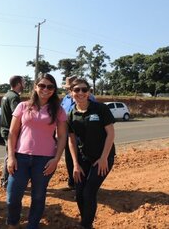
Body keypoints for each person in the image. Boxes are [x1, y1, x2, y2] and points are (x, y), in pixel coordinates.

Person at [6, 73, 67, 229]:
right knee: (12, 197)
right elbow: (12, 133)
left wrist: (56, 159)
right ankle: (13, 224)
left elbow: (62, 137)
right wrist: (11, 157)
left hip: (45, 160)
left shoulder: (58, 110)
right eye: (42, 85)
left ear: (54, 89)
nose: (45, 89)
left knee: (38, 197)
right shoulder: (23, 106)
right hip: (20, 157)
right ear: (35, 87)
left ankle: (32, 226)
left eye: (50, 86)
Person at [67, 78, 115, 229]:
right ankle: (86, 220)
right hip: (83, 159)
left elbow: (111, 134)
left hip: (103, 158)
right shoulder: (71, 114)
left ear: (88, 92)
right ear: (71, 93)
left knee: (89, 192)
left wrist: (103, 158)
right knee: (80, 193)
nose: (80, 93)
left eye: (84, 90)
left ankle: (85, 225)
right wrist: (75, 164)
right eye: (77, 90)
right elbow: (71, 141)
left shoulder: (100, 109)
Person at [60, 76, 95, 190]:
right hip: (67, 132)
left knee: (82, 160)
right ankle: (72, 182)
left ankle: (82, 187)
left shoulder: (90, 98)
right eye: (72, 89)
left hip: (82, 134)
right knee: (70, 159)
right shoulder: (65, 98)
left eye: (83, 89)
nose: (80, 92)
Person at [0, 75, 25, 188]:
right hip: (10, 130)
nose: (24, 84)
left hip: (4, 129)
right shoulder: (14, 97)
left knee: (8, 154)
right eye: (23, 82)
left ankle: (5, 180)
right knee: (10, 155)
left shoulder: (6, 95)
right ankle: (6, 181)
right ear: (19, 83)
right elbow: (17, 115)